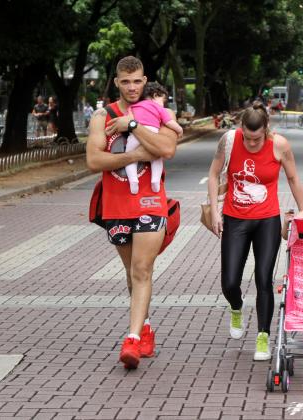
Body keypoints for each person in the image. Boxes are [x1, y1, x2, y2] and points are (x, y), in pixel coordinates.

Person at [85, 56, 179, 369]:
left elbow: (166, 149)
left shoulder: (157, 111)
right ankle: (146, 327)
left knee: (141, 269)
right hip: (116, 205)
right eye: (125, 82)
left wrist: (134, 125)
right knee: (131, 274)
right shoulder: (103, 116)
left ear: (144, 79)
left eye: (137, 81)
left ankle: (133, 340)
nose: (132, 87)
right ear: (116, 83)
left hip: (151, 201)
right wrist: (136, 155)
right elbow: (95, 162)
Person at [206, 101, 303, 361]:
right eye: (248, 138)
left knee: (264, 279)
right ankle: (236, 306)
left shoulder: (280, 145)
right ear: (241, 128)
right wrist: (216, 212)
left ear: (266, 129)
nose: (252, 144)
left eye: (257, 138)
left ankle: (263, 337)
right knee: (229, 282)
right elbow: (214, 173)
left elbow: (294, 178)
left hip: (267, 220)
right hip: (235, 218)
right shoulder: (229, 140)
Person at [125, 82, 183, 194]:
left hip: (135, 135)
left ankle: (133, 181)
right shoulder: (159, 108)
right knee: (157, 158)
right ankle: (155, 180)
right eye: (163, 100)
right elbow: (169, 122)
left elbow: (125, 121)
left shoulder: (133, 107)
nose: (163, 103)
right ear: (156, 95)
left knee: (129, 158)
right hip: (153, 132)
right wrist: (179, 129)